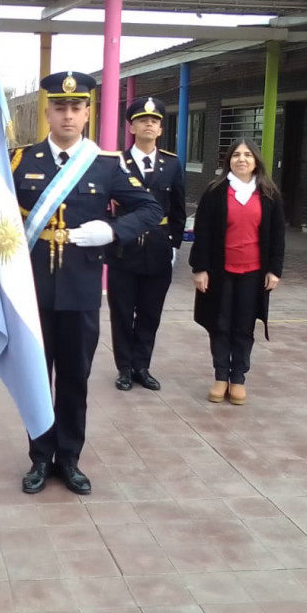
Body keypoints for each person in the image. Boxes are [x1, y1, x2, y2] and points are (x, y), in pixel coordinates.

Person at [13, 71, 163, 495]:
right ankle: (40, 458)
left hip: (80, 289)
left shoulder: (105, 164)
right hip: (34, 290)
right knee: (36, 377)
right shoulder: (20, 161)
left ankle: (70, 458)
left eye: (76, 107)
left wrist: (113, 230)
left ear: (87, 113)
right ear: (47, 113)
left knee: (75, 377)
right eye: (59, 107)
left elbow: (150, 209)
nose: (67, 114)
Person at [188, 137, 285, 405]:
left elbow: (277, 235)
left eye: (247, 155)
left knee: (243, 326)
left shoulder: (269, 194)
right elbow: (203, 233)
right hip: (220, 272)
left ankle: (238, 378)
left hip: (254, 273)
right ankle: (221, 376)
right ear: (228, 160)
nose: (241, 159)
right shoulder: (215, 191)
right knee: (219, 324)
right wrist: (200, 268)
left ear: (256, 161)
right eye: (236, 155)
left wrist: (274, 270)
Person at [106, 97, 186, 392]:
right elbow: (104, 206)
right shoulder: (115, 163)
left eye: (154, 121)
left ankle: (142, 365)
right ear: (131, 127)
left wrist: (174, 245)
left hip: (158, 249)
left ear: (161, 128)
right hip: (124, 250)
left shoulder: (172, 163)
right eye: (142, 120)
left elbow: (177, 209)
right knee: (123, 312)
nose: (148, 124)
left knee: (151, 312)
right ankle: (124, 368)